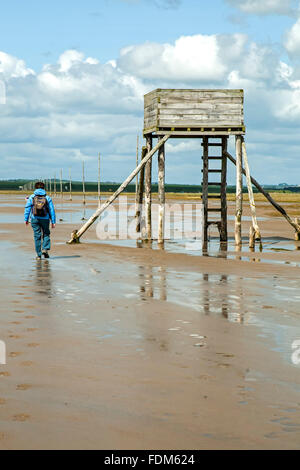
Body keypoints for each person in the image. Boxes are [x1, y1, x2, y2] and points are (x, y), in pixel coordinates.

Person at [24, 181, 56, 259]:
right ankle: (45, 249)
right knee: (46, 233)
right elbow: (51, 210)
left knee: (37, 236)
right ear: (43, 188)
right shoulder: (47, 197)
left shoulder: (31, 197)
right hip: (45, 219)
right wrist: (53, 221)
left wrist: (26, 219)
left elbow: (27, 208)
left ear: (35, 188)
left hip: (34, 218)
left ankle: (38, 255)